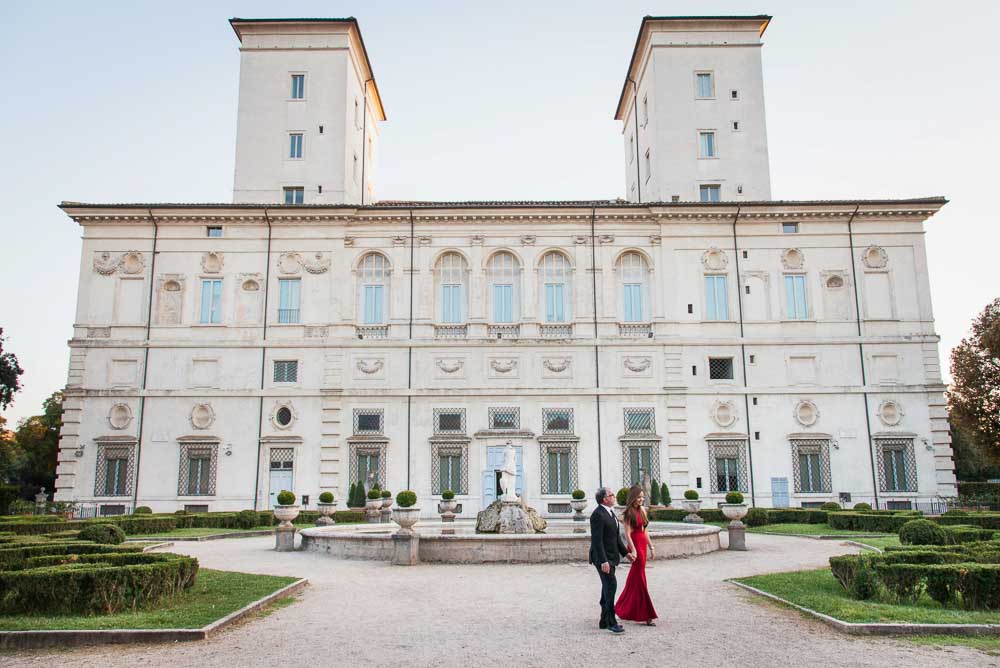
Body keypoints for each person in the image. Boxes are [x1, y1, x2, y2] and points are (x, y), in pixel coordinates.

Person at [615, 485, 658, 626]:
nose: (641, 499)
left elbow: (645, 531)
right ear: (633, 497)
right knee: (640, 579)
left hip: (643, 545)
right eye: (639, 497)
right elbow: (627, 534)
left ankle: (621, 607)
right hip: (635, 546)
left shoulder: (643, 510)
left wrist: (651, 546)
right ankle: (647, 614)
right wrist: (632, 550)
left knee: (635, 579)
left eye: (642, 497)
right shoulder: (628, 513)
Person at [589, 486, 630, 634]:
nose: (614, 497)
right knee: (611, 586)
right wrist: (603, 561)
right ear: (605, 499)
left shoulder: (610, 513)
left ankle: (603, 620)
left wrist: (625, 553)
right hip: (603, 558)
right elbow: (597, 541)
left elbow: (615, 537)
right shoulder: (597, 515)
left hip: (611, 557)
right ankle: (611, 622)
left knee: (607, 587)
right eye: (612, 495)